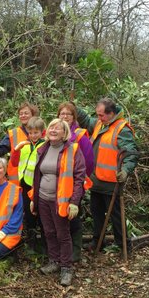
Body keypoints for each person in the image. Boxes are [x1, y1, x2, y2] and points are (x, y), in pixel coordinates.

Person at [29, 119, 86, 286]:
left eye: (57, 128)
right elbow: (36, 177)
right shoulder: (43, 149)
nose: (53, 130)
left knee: (63, 234)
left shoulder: (73, 150)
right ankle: (53, 261)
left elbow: (79, 177)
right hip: (43, 198)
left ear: (64, 133)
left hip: (61, 201)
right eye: (51, 126)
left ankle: (66, 268)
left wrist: (74, 202)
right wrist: (34, 198)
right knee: (49, 232)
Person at [87, 98, 138, 254]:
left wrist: (125, 171)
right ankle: (98, 242)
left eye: (101, 115)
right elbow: (84, 119)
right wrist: (71, 107)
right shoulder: (100, 123)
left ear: (111, 114)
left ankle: (124, 246)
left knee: (116, 216)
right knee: (96, 214)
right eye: (98, 115)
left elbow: (130, 153)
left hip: (112, 182)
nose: (99, 118)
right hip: (96, 181)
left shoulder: (122, 129)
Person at [57, 102, 95, 262]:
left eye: (68, 114)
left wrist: (79, 184)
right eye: (62, 114)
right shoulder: (54, 133)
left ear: (74, 117)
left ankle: (75, 252)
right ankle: (62, 251)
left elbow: (89, 163)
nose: (65, 117)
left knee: (73, 218)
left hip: (75, 185)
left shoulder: (80, 136)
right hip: (57, 186)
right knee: (59, 218)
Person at [0, 102, 40, 184]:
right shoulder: (14, 134)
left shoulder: (42, 133)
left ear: (33, 115)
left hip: (37, 181)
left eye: (26, 113)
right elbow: (1, 149)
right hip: (17, 181)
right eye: (21, 114)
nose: (23, 115)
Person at [9, 116, 45, 253]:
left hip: (38, 186)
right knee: (28, 214)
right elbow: (14, 162)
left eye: (36, 132)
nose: (33, 135)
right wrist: (16, 150)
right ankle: (31, 243)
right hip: (24, 184)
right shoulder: (24, 145)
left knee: (40, 214)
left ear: (42, 132)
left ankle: (44, 245)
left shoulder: (45, 146)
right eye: (30, 133)